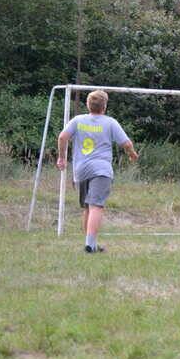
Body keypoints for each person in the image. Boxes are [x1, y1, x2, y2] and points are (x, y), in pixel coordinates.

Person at [57, 90, 138, 253]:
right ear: (104, 107)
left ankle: (90, 244)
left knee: (88, 207)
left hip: (81, 170)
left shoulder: (77, 120)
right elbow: (127, 144)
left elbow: (62, 137)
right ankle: (90, 245)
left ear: (88, 105)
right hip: (101, 170)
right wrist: (132, 155)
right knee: (96, 207)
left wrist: (61, 158)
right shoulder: (110, 123)